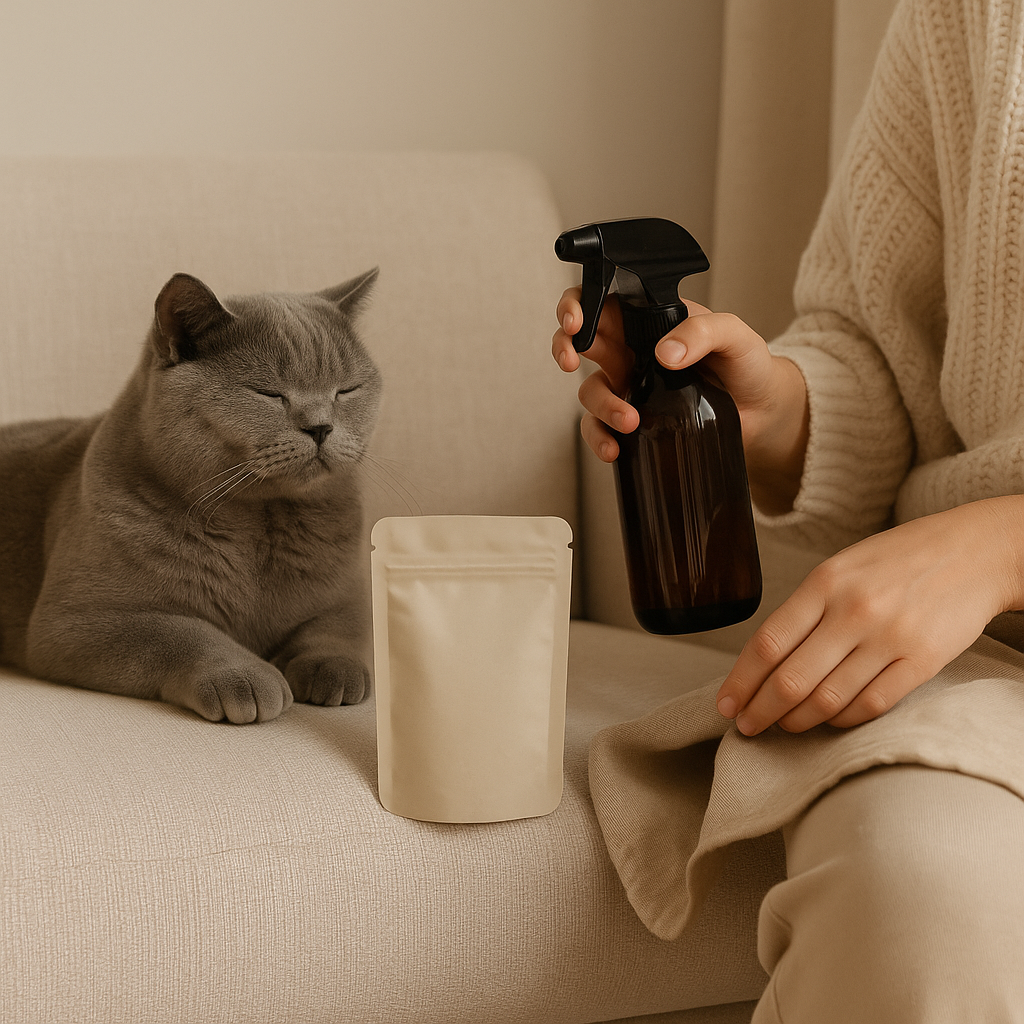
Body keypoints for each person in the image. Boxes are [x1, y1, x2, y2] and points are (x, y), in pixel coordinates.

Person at [553, 0, 1024, 1018]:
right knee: (917, 894)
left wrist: (1004, 543)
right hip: (974, 668)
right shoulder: (969, 17)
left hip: (972, 596)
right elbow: (877, 356)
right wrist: (762, 408)